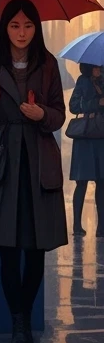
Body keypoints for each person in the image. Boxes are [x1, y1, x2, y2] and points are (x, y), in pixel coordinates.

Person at [0, 0, 67, 343]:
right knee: (7, 248)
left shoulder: (48, 65)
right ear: (5, 29)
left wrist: (41, 113)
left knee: (36, 246)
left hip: (38, 163)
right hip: (3, 166)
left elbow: (59, 115)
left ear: (36, 28)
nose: (22, 33)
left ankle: (24, 314)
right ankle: (18, 321)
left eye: (28, 26)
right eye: (14, 26)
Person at [69, 63, 104, 236]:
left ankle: (102, 227)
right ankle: (76, 225)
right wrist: (97, 102)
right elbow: (74, 106)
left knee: (102, 181)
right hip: (85, 136)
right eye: (96, 66)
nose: (99, 69)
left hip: (101, 136)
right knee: (81, 182)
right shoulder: (82, 81)